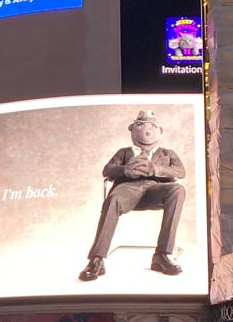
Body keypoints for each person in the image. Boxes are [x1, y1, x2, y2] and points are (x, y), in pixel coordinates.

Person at [78, 110, 187, 282]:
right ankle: (97, 259)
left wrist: (156, 169)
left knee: (177, 190)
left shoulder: (167, 153)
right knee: (113, 198)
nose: (147, 130)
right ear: (132, 129)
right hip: (127, 189)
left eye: (152, 126)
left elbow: (180, 172)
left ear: (159, 130)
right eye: (141, 125)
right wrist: (125, 170)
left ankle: (162, 255)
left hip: (154, 189)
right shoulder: (124, 152)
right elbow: (107, 170)